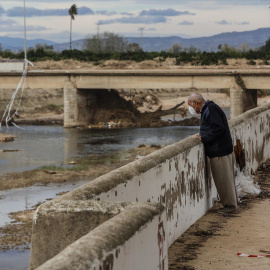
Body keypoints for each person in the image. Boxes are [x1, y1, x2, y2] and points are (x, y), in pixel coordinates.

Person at [188, 93, 239, 214]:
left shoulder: (210, 109)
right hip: (221, 150)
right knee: (226, 181)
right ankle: (232, 205)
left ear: (196, 102)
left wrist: (203, 138)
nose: (190, 107)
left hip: (220, 151)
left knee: (223, 181)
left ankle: (230, 208)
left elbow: (218, 129)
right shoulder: (209, 108)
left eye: (190, 104)